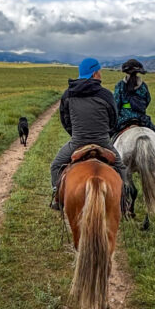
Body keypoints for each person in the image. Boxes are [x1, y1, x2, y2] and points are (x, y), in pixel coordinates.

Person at [50, 57, 126, 208]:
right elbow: (113, 119)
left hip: (77, 142)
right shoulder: (106, 95)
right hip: (103, 142)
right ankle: (123, 202)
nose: (101, 74)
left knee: (56, 166)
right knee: (121, 167)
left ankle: (57, 199)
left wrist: (77, 134)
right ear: (94, 74)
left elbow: (65, 120)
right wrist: (105, 134)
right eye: (99, 71)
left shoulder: (68, 94)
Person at [113, 58, 155, 134]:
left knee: (110, 135)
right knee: (154, 132)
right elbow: (147, 100)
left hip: (123, 117)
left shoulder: (120, 85)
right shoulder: (143, 86)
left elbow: (116, 103)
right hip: (141, 118)